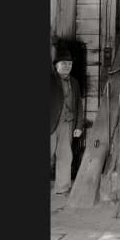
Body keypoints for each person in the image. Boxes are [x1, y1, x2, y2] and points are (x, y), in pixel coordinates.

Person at [51, 47, 84, 195]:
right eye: (63, 63)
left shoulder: (75, 83)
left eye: (69, 63)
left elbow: (79, 106)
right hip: (50, 124)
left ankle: (62, 188)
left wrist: (79, 125)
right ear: (56, 65)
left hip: (67, 124)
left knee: (65, 156)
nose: (67, 66)